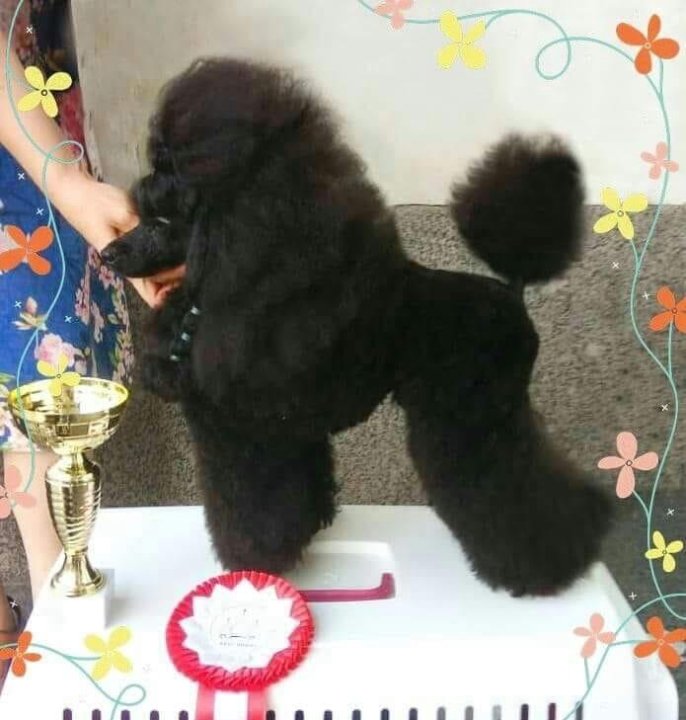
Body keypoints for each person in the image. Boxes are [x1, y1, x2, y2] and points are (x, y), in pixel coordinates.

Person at [0, 4, 182, 688]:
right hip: (34, 172)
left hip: (37, 139)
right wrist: (69, 185)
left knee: (39, 405)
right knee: (36, 400)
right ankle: (53, 664)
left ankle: (52, 659)